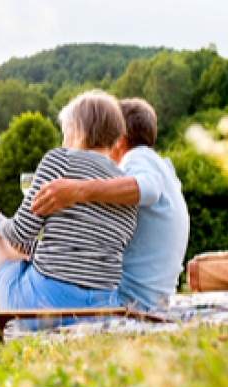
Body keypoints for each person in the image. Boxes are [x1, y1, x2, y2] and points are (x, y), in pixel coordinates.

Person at [0, 90, 137, 311]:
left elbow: (19, 233)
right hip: (101, 307)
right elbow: (79, 254)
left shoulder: (60, 161)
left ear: (76, 130)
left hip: (44, 302)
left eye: (65, 132)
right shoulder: (124, 187)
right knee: (15, 260)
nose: (64, 141)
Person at [31, 98, 190, 310]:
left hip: (128, 301)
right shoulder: (160, 166)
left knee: (11, 255)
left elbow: (148, 188)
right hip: (149, 300)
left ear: (120, 141)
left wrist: (78, 191)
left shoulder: (137, 159)